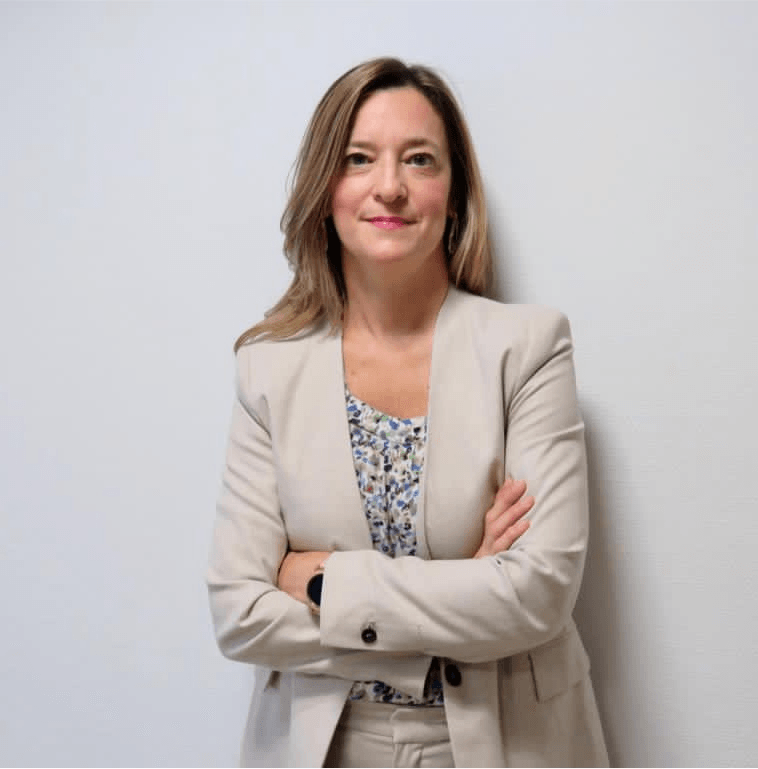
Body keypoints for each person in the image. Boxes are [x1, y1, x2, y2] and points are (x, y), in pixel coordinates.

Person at [207, 57, 609, 768]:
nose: (389, 186)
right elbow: (239, 614)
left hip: (507, 742)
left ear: (454, 195)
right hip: (328, 746)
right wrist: (466, 588)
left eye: (419, 159)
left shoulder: (528, 348)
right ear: (325, 189)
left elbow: (537, 595)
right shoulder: (268, 370)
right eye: (358, 159)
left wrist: (325, 582)